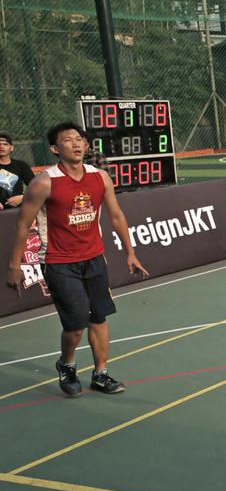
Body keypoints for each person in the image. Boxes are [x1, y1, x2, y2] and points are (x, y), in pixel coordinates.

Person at [5, 122, 148, 397]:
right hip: (58, 261)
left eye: (79, 139)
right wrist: (15, 265)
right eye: (68, 140)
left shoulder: (100, 177)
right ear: (54, 149)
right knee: (76, 323)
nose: (76, 143)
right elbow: (22, 225)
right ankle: (67, 364)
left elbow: (116, 215)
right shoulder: (44, 182)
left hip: (94, 258)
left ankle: (100, 374)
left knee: (99, 318)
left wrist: (130, 252)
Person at [0, 132, 36, 209]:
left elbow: (37, 188)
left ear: (11, 148)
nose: (1, 146)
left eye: (5, 144)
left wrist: (23, 197)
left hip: (19, 209)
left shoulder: (21, 166)